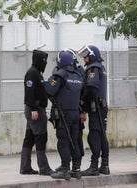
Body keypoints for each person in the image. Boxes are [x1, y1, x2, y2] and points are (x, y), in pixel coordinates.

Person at [45, 49, 84, 180]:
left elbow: (49, 90)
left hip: (64, 113)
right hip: (75, 112)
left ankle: (65, 169)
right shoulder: (78, 76)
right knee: (74, 140)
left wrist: (53, 76)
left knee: (63, 141)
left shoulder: (60, 74)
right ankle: (76, 169)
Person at [20, 49, 55, 176]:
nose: (45, 63)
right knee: (41, 137)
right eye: (43, 61)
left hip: (35, 109)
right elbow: (29, 92)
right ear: (38, 60)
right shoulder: (32, 73)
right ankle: (44, 167)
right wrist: (34, 109)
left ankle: (25, 167)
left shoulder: (37, 73)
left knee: (29, 138)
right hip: (35, 109)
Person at [78, 44, 110, 176]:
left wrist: (82, 102)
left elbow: (91, 88)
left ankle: (94, 166)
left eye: (85, 56)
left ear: (91, 56)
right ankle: (105, 165)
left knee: (94, 136)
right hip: (101, 107)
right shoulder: (100, 67)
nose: (84, 59)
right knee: (101, 135)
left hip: (96, 107)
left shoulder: (93, 68)